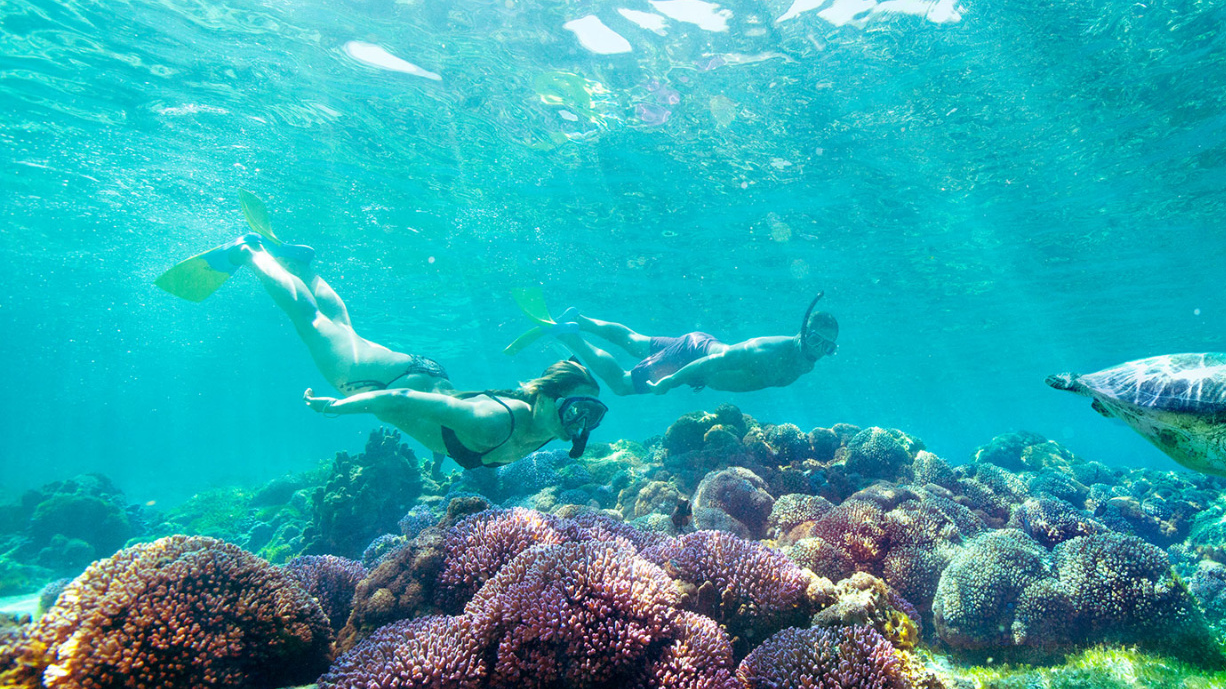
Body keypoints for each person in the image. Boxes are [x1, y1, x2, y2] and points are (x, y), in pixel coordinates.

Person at [162, 231, 608, 467]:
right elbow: (404, 401)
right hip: (388, 383)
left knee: (340, 326)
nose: (581, 422)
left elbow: (445, 423)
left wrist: (440, 450)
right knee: (312, 321)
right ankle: (249, 252)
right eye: (577, 410)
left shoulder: (553, 428)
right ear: (548, 398)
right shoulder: (495, 421)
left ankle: (299, 262)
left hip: (423, 374)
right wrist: (342, 407)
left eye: (591, 413)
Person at [548, 292, 838, 396]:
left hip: (698, 347)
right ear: (802, 331)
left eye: (826, 346)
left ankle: (579, 318)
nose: (817, 349)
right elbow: (713, 363)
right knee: (623, 386)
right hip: (693, 356)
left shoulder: (807, 363)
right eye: (814, 339)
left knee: (636, 342)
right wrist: (672, 381)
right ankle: (570, 334)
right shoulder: (767, 351)